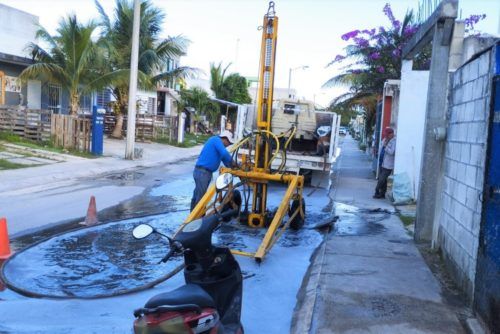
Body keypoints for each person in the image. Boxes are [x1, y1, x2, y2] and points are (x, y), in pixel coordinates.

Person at [191, 130, 234, 210]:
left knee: (197, 194)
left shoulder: (218, 146)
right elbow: (225, 154)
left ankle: (192, 216)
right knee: (201, 198)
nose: (229, 145)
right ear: (225, 139)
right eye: (229, 143)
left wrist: (233, 167)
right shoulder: (216, 140)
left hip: (203, 172)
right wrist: (233, 163)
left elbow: (225, 159)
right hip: (202, 172)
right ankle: (197, 218)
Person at [374, 127, 396, 199]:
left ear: (392, 134)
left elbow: (392, 152)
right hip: (382, 162)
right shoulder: (385, 139)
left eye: (388, 134)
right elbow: (381, 147)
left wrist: (386, 146)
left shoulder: (394, 141)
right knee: (384, 180)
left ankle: (377, 190)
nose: (386, 136)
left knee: (381, 179)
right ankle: (382, 194)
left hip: (388, 164)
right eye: (386, 134)